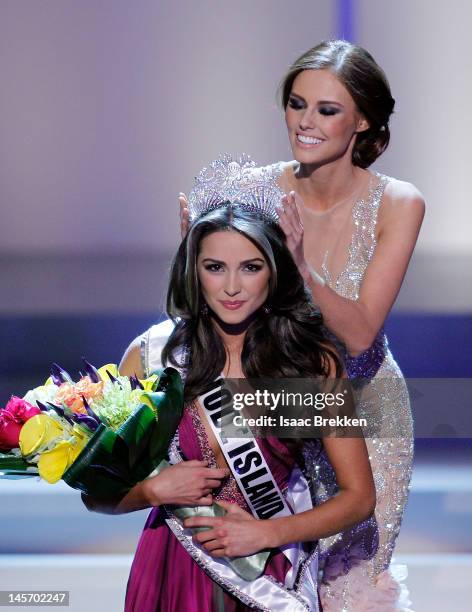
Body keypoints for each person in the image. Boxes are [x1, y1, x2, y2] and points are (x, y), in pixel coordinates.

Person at [178, 40, 424, 610]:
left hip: (364, 402)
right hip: (276, 398)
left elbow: (361, 333)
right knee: (269, 574)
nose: (305, 123)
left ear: (363, 119)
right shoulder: (249, 191)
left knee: (347, 583)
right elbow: (215, 294)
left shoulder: (399, 203)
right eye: (296, 104)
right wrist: (192, 254)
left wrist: (302, 267)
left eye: (327, 110)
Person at [82, 197, 376, 611]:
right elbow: (96, 494)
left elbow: (359, 497)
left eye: (250, 267)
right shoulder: (152, 356)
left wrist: (267, 534)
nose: (232, 286)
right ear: (194, 271)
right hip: (174, 566)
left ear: (274, 273)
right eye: (215, 267)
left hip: (269, 574)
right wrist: (152, 489)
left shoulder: (312, 362)